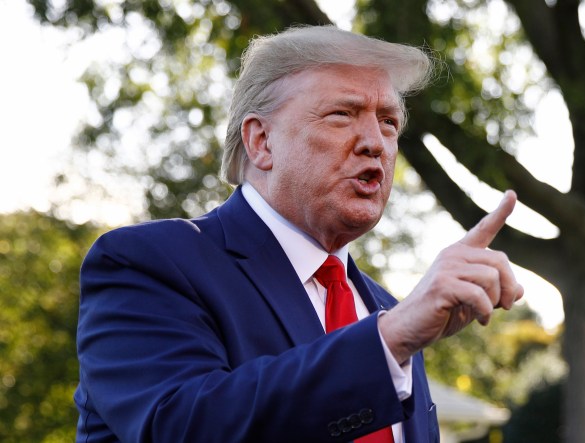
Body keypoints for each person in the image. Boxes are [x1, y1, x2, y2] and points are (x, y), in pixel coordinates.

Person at [74, 25, 524, 443]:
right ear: (261, 142)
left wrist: (393, 332)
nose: (376, 141)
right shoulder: (147, 262)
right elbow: (183, 427)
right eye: (342, 114)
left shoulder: (384, 310)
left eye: (388, 121)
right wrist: (390, 339)